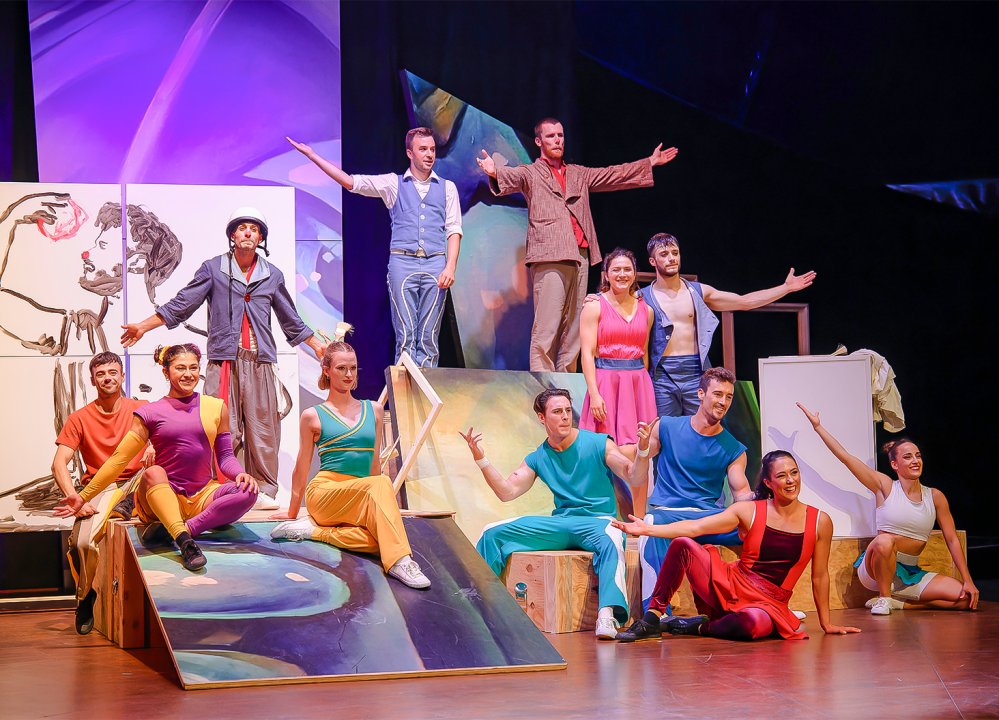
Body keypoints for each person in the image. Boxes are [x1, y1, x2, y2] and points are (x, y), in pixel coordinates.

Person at [120, 207, 326, 510]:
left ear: (260, 237)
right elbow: (182, 304)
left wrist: (318, 346)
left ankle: (264, 492)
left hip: (259, 362)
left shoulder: (272, 275)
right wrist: (143, 326)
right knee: (223, 428)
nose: (248, 232)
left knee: (263, 428)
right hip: (224, 360)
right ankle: (227, 489)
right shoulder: (213, 269)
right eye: (242, 227)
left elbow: (290, 320)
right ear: (232, 235)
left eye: (254, 229)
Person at [476, 118, 678, 372]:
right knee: (547, 325)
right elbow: (512, 176)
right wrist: (495, 171)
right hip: (549, 254)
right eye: (551, 136)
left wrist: (649, 162)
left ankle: (566, 380)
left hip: (580, 254)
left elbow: (612, 174)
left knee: (574, 326)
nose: (557, 140)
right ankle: (543, 383)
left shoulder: (577, 174)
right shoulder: (531, 173)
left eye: (560, 135)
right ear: (538, 141)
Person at [613, 451, 861, 642]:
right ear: (768, 482)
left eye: (794, 473)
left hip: (767, 603)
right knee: (682, 544)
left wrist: (827, 624)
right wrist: (648, 529)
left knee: (754, 625)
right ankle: (652, 619)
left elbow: (820, 576)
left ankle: (698, 626)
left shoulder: (820, 521)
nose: (790, 480)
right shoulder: (748, 510)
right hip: (731, 584)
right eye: (782, 476)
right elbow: (696, 528)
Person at [56, 344, 259, 572]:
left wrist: (239, 473)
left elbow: (225, 456)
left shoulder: (216, 407)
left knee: (248, 491)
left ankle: (184, 528)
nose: (188, 374)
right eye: (180, 368)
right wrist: (83, 497)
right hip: (162, 496)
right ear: (166, 372)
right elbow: (118, 460)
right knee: (153, 472)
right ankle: (185, 542)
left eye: (193, 367)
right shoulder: (149, 412)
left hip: (202, 494)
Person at [459, 388, 633, 639]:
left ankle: (607, 615)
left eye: (567, 410)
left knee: (613, 538)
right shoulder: (538, 457)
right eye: (557, 411)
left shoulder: (599, 443)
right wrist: (481, 460)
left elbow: (629, 472)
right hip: (561, 523)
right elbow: (507, 492)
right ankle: (478, 605)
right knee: (492, 532)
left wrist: (641, 453)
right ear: (542, 417)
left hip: (598, 522)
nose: (565, 416)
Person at [287, 129, 462, 367]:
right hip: (403, 263)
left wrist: (450, 266)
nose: (429, 154)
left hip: (435, 264)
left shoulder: (447, 188)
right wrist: (312, 155)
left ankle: (426, 387)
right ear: (410, 153)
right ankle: (405, 388)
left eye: (432, 149)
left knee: (429, 337)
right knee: (406, 336)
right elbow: (350, 182)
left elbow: (453, 229)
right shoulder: (393, 183)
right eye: (423, 149)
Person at [269, 339, 431, 589]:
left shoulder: (374, 410)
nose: (348, 375)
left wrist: (381, 503)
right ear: (326, 370)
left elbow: (374, 466)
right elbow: (302, 466)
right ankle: (401, 561)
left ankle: (314, 532)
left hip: (361, 495)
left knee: (381, 539)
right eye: (341, 368)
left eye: (353, 368)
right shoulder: (313, 416)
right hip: (326, 494)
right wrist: (292, 513)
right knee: (382, 493)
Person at [797, 403, 979, 614]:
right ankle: (884, 598)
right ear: (894, 464)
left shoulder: (935, 496)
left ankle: (900, 602)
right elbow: (845, 457)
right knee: (884, 540)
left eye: (918, 455)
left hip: (909, 573)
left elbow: (952, 539)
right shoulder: (885, 486)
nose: (915, 461)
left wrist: (968, 580)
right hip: (875, 569)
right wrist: (818, 427)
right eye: (908, 457)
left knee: (967, 599)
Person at [640, 232, 816, 416]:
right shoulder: (643, 298)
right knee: (665, 427)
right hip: (662, 375)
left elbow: (744, 301)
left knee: (700, 427)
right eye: (664, 254)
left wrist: (786, 288)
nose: (671, 258)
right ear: (652, 261)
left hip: (695, 371)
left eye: (675, 253)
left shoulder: (698, 292)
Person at [630, 367, 755, 610]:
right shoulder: (666, 426)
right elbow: (636, 476)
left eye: (728, 397)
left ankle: (766, 603)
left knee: (760, 528)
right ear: (700, 394)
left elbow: (742, 496)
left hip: (708, 519)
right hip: (668, 514)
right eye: (717, 394)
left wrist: (763, 498)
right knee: (652, 524)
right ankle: (657, 613)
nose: (723, 402)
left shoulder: (734, 448)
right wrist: (642, 449)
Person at [51, 352, 152, 634]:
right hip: (101, 486)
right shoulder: (80, 418)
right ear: (93, 380)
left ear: (122, 376)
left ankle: (130, 505)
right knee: (81, 544)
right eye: (101, 374)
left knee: (154, 474)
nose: (107, 378)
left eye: (112, 372)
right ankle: (85, 596)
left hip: (139, 482)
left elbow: (169, 437)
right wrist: (76, 498)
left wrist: (155, 445)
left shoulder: (142, 409)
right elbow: (58, 463)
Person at [579, 248, 656, 447]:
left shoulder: (647, 310)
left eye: (627, 269)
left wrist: (643, 389)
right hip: (606, 382)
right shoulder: (594, 306)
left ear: (634, 274)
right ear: (606, 274)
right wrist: (594, 393)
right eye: (616, 270)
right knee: (605, 446)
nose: (622, 274)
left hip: (638, 384)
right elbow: (587, 354)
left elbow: (644, 353)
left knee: (640, 446)